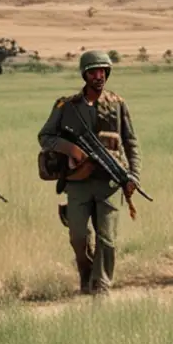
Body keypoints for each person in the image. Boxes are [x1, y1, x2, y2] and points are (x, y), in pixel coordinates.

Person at [37, 50, 141, 295]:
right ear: (84, 74)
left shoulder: (117, 104)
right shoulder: (67, 106)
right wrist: (70, 148)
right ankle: (86, 274)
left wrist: (133, 175)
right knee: (78, 236)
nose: (99, 76)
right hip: (78, 183)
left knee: (108, 238)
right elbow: (45, 137)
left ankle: (101, 284)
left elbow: (131, 142)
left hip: (110, 182)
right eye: (93, 71)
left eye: (103, 71)